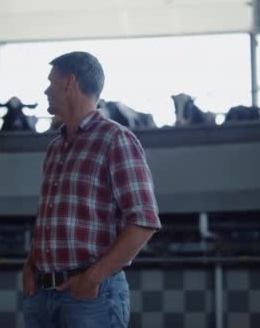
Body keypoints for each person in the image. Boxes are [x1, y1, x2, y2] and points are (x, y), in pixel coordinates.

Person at [22, 51, 162, 328]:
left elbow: (144, 222)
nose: (46, 90)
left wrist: (92, 278)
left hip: (91, 297)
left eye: (51, 81)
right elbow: (52, 218)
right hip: (42, 294)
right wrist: (31, 265)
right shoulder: (55, 146)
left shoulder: (116, 139)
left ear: (69, 82)